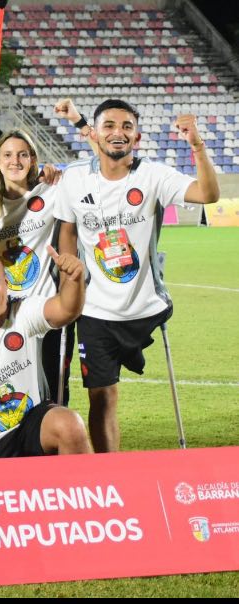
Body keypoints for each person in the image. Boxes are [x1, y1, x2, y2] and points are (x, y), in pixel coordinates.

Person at [55, 99, 219, 452]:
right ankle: (111, 475)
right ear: (94, 134)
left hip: (146, 306)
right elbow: (67, 229)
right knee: (102, 398)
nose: (118, 133)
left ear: (138, 137)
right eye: (109, 126)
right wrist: (69, 274)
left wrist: (197, 145)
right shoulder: (73, 178)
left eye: (126, 127)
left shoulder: (153, 176)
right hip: (95, 311)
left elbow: (208, 193)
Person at [0, 250, 92, 458]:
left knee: (69, 424)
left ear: (6, 281)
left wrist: (74, 279)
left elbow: (66, 309)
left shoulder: (22, 312)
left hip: (32, 427)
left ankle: (86, 488)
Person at [0, 129, 71, 405]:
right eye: (7, 155)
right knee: (15, 388)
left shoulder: (50, 192)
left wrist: (60, 175)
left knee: (54, 390)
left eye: (23, 154)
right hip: (7, 314)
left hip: (48, 309)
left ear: (33, 159)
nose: (15, 161)